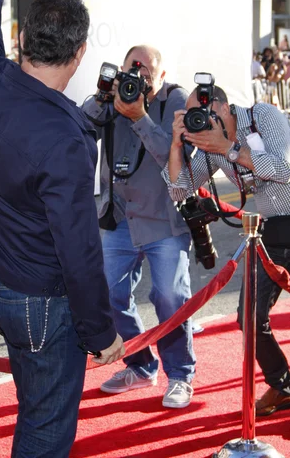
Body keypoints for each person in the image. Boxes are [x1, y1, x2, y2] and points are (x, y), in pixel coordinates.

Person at [0, 0, 124, 458]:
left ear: (22, 39)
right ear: (78, 56)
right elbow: (78, 249)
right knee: (46, 428)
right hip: (39, 304)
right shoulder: (66, 138)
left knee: (34, 403)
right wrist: (100, 333)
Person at [163, 83, 290, 417]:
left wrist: (231, 149)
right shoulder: (208, 149)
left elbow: (285, 170)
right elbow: (178, 191)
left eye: (199, 114)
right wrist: (177, 145)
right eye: (189, 117)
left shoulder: (263, 116)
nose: (196, 121)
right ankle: (283, 384)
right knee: (249, 316)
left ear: (220, 107)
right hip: (270, 233)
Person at [82, 46, 196, 409]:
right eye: (133, 66)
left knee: (169, 297)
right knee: (109, 297)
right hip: (120, 220)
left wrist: (139, 115)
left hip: (163, 220)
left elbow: (172, 154)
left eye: (147, 69)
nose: (138, 74)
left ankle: (180, 375)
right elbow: (81, 126)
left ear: (160, 76)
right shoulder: (117, 96)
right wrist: (104, 96)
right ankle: (141, 365)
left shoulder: (173, 99)